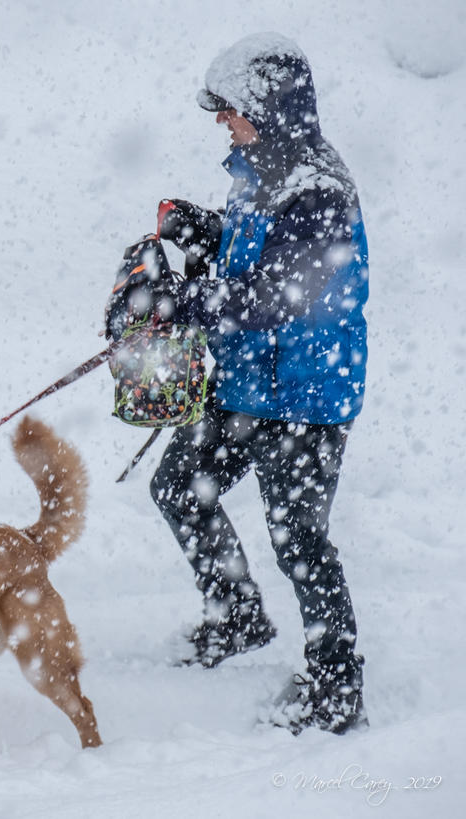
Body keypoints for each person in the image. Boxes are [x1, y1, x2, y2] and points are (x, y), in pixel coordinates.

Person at [147, 33, 369, 734]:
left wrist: (183, 303)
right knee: (179, 488)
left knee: (299, 538)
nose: (222, 120)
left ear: (268, 108)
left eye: (231, 108)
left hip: (305, 394)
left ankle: (338, 690)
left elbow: (278, 294)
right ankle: (238, 614)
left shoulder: (318, 190)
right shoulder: (258, 170)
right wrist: (206, 230)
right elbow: (255, 252)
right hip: (247, 383)